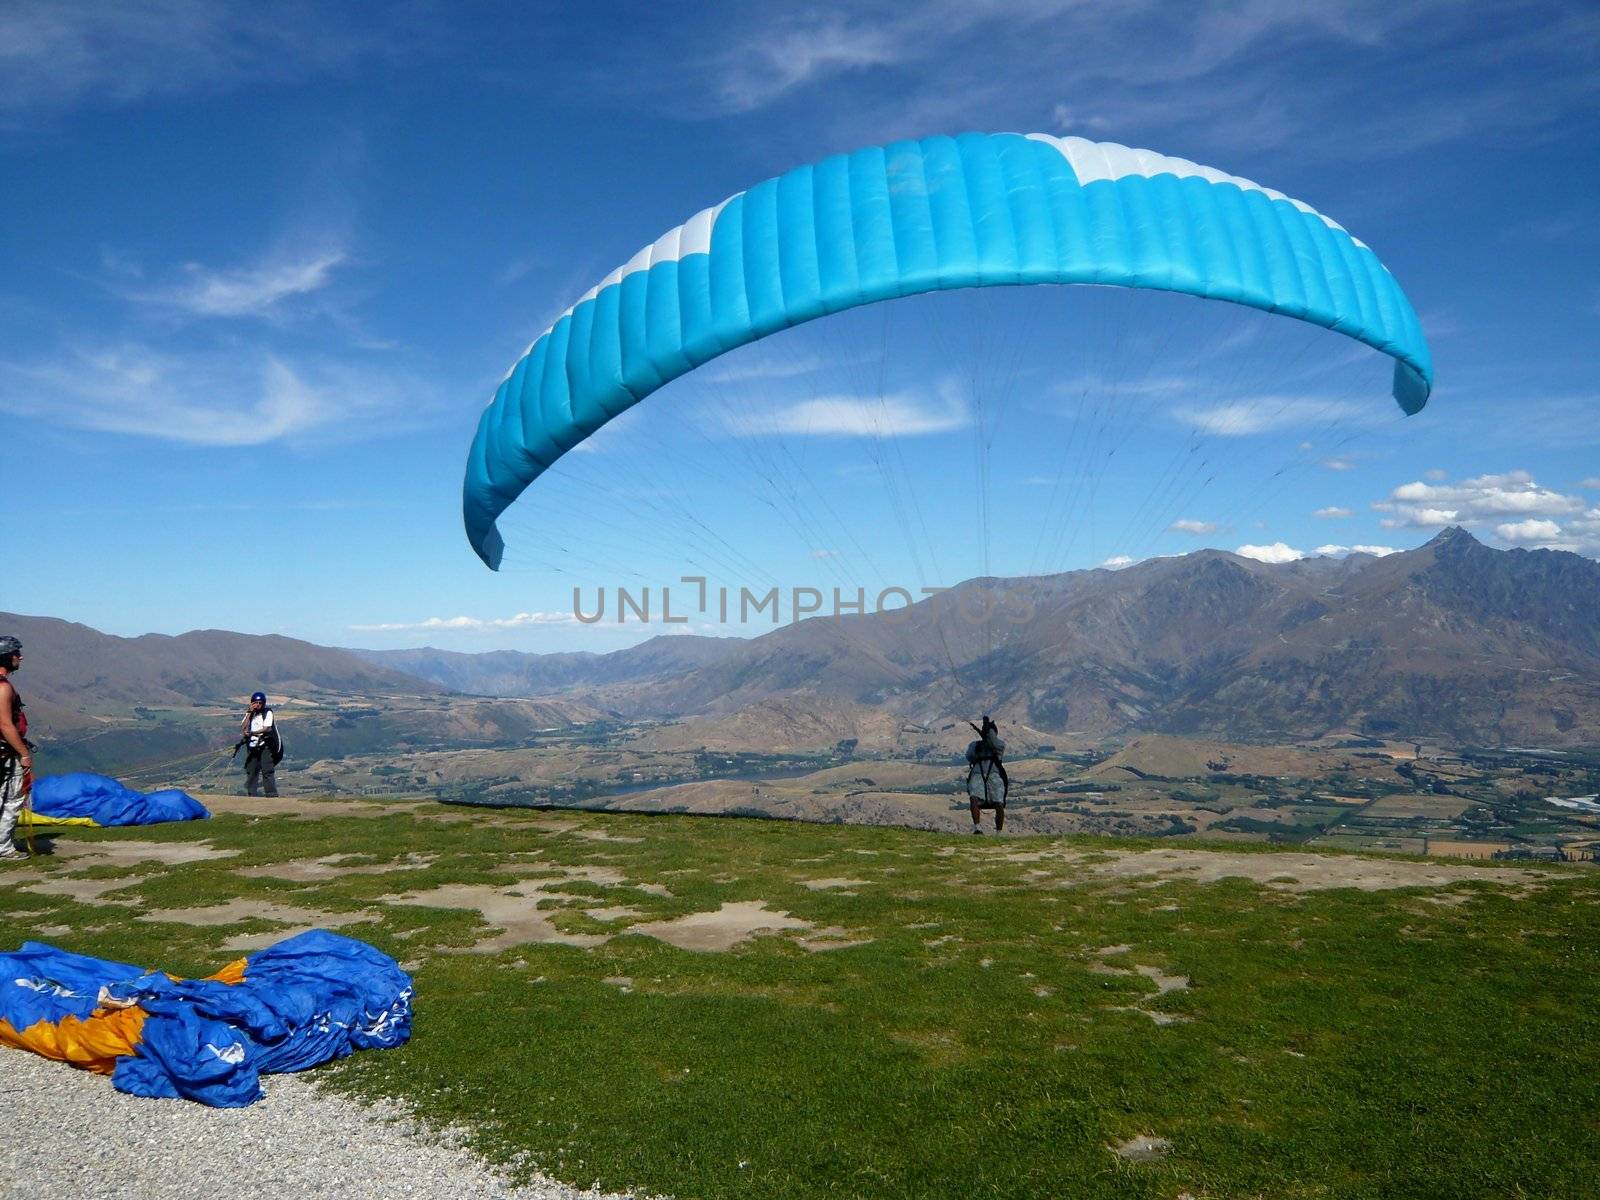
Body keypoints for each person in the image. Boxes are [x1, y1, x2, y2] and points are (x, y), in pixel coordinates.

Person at [0, 635, 34, 860]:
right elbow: (5, 724)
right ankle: (3, 848)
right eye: (15, 654)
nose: (20, 657)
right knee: (12, 798)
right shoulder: (3, 688)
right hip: (5, 753)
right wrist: (23, 754)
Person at [965, 714, 1009, 834]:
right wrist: (978, 748)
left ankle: (998, 832)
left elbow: (994, 743)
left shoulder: (999, 745)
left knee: (999, 802)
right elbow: (969, 756)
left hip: (994, 774)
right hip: (978, 774)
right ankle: (977, 828)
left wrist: (988, 730)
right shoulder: (975, 745)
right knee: (973, 797)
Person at [238, 691, 279, 798]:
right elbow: (243, 727)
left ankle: (271, 795)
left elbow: (267, 728)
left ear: (264, 703)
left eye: (260, 703)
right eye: (255, 702)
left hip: (265, 746)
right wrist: (249, 714)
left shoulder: (268, 713)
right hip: (252, 747)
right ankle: (252, 795)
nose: (258, 705)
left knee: (267, 770)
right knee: (251, 770)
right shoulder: (249, 714)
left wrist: (252, 733)